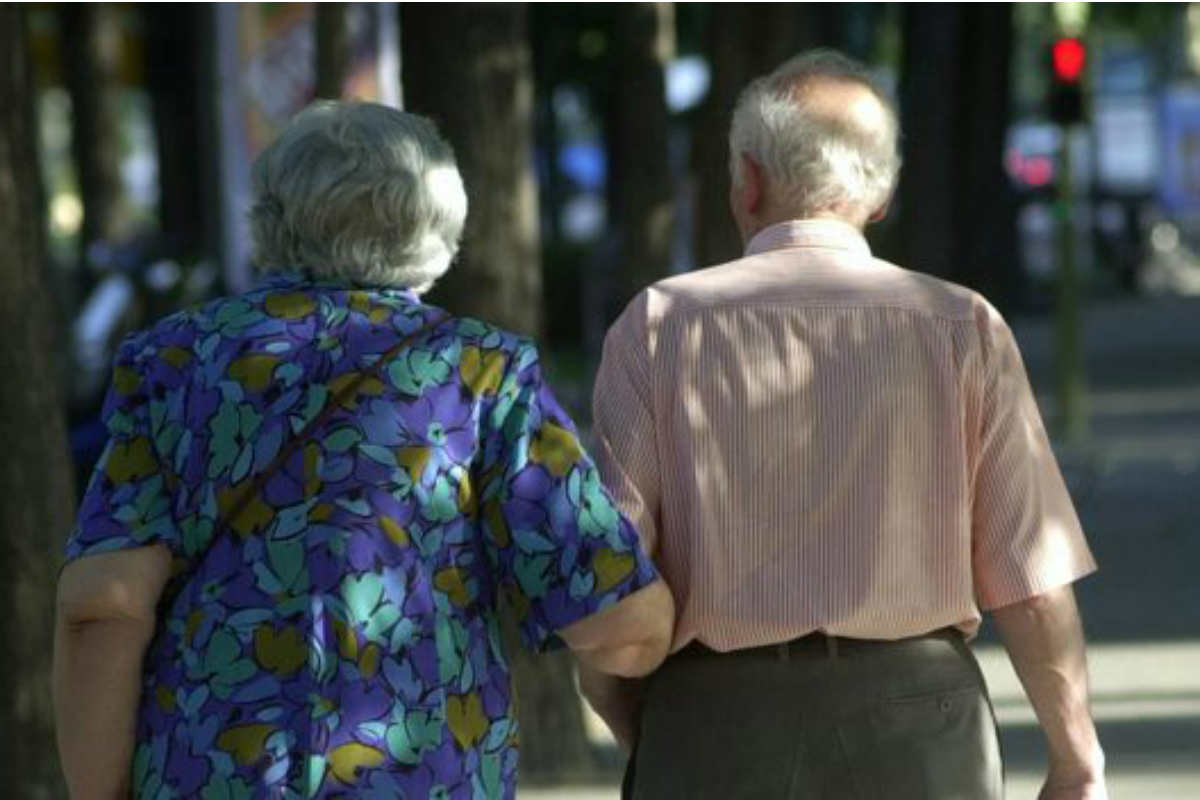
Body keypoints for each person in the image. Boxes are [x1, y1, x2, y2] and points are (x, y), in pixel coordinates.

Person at [53, 101, 674, 799]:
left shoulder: (174, 364)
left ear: (271, 219)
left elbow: (102, 607)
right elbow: (618, 623)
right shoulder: (482, 373)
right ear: (439, 228)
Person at [581, 50, 1105, 799]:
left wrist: (646, 729)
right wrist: (1076, 756)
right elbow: (1031, 583)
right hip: (919, 720)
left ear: (749, 180)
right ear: (881, 195)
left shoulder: (659, 327)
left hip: (717, 717)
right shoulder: (961, 326)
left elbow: (613, 576)